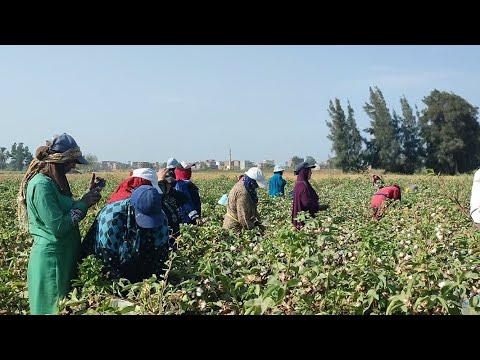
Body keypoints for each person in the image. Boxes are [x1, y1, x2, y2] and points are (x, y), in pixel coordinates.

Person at [17, 133, 102, 315]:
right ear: (59, 160)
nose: (72, 167)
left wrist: (86, 197)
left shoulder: (57, 182)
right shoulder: (41, 186)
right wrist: (83, 203)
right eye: (71, 162)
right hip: (51, 263)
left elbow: (67, 212)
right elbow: (58, 227)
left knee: (64, 309)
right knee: (51, 310)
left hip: (64, 258)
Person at [94, 185, 171, 282]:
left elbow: (160, 255)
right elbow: (106, 261)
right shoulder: (111, 217)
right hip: (113, 257)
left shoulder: (161, 218)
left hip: (139, 259)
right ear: (132, 206)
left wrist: (153, 283)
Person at [223, 167, 267, 233]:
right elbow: (243, 218)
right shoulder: (243, 192)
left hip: (239, 224)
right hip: (234, 228)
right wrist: (255, 231)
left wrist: (259, 224)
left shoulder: (247, 187)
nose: (257, 187)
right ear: (252, 181)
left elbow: (252, 209)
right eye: (256, 184)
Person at [291, 162, 328, 229]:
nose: (311, 173)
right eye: (309, 170)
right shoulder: (303, 186)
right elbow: (306, 203)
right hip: (306, 222)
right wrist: (319, 207)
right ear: (304, 172)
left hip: (301, 220)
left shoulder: (299, 183)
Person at [158, 172, 187, 240]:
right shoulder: (159, 198)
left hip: (176, 228)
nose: (169, 186)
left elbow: (184, 199)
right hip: (167, 231)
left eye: (170, 184)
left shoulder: (173, 194)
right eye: (167, 184)